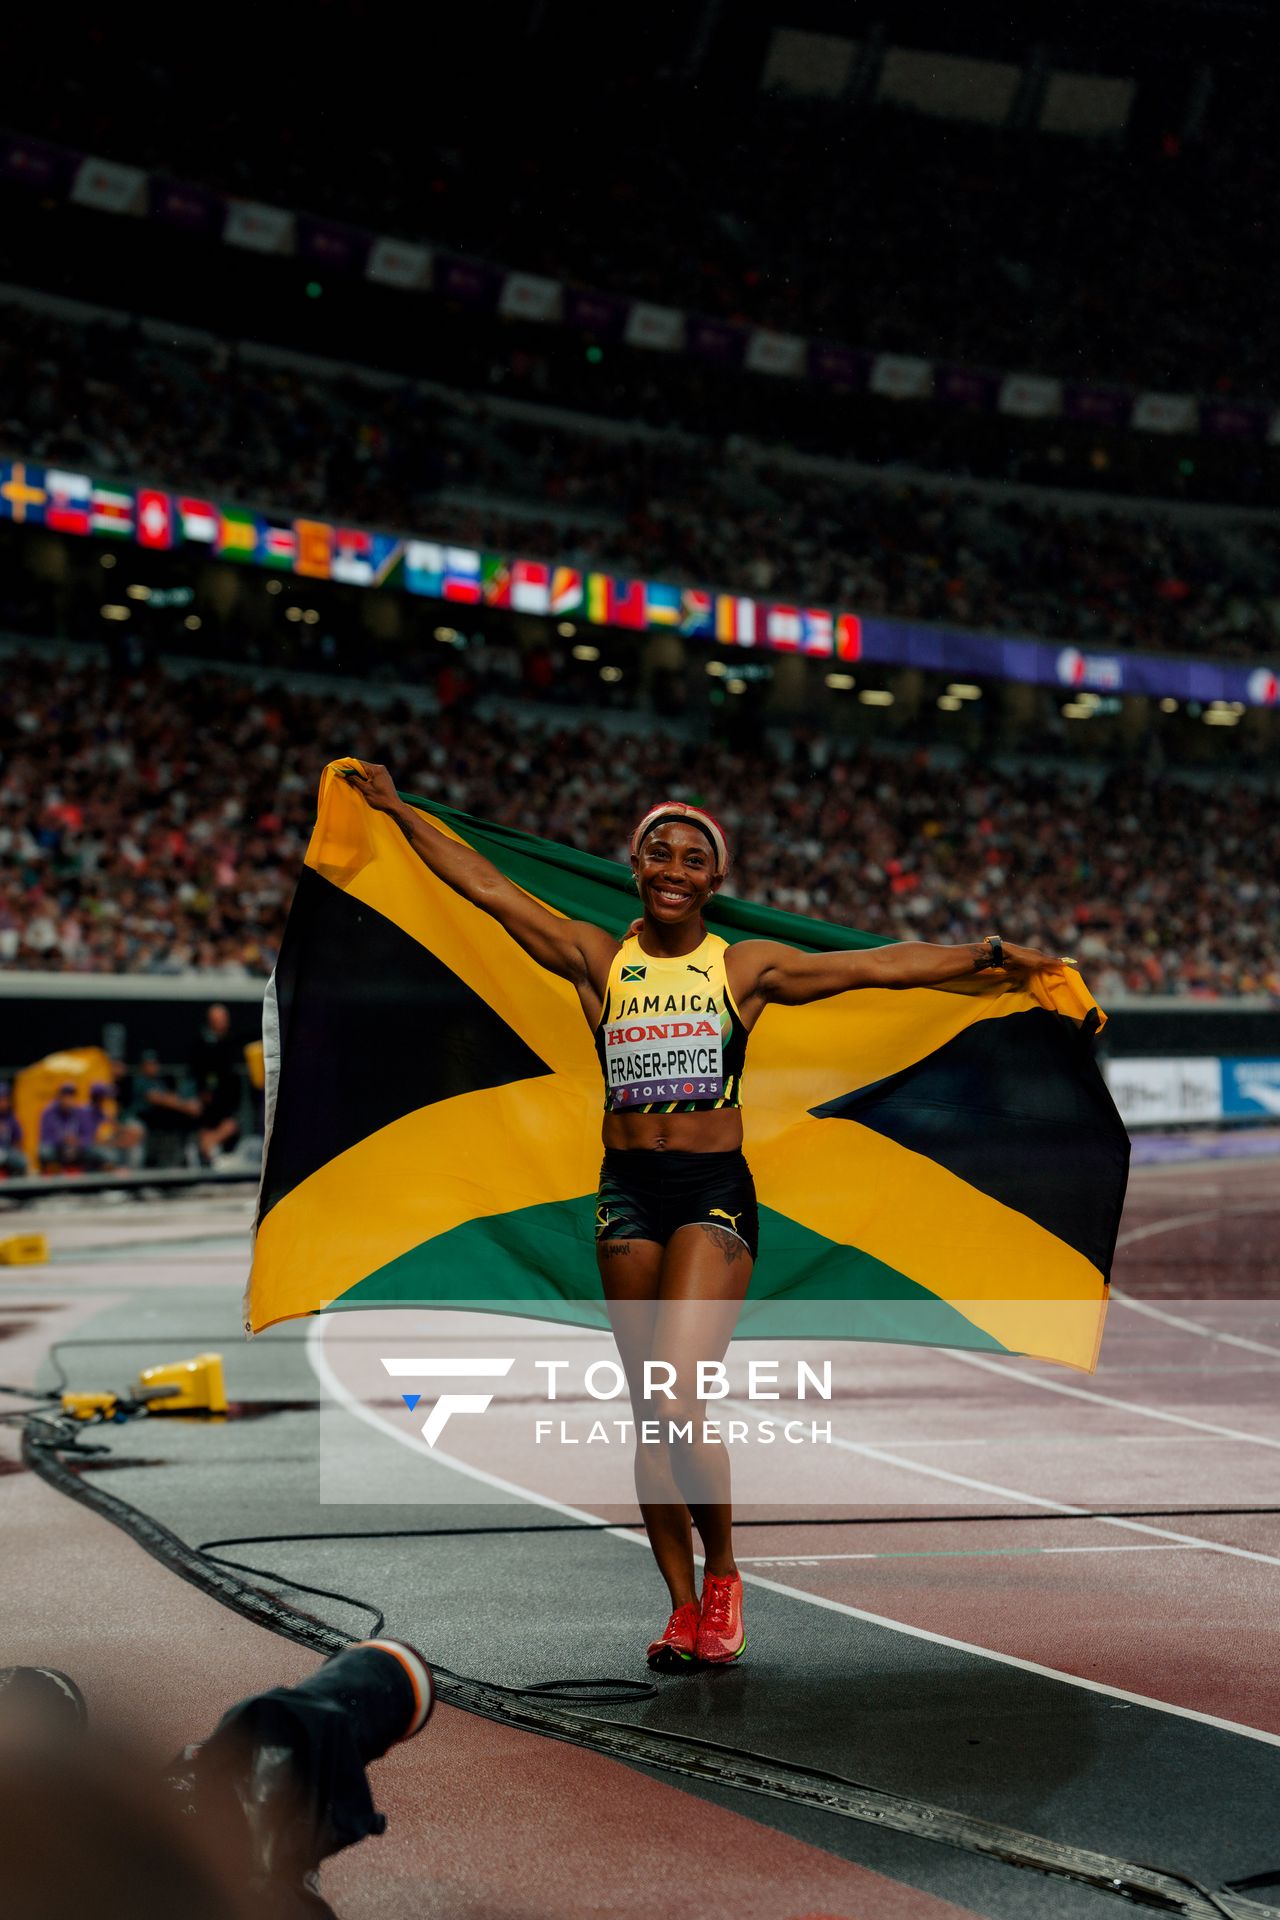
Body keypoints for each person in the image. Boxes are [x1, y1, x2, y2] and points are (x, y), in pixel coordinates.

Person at [343, 763, 1062, 1669]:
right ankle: (681, 1611)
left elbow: (875, 967)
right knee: (652, 1414)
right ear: (637, 867)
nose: (675, 867)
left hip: (712, 1191)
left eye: (694, 857)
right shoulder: (596, 957)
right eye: (660, 852)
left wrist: (995, 958)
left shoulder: (744, 969)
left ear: (713, 882)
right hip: (626, 1191)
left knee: (680, 1396)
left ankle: (724, 1575)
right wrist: (396, 809)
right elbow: (484, 887)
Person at [191, 1006, 243, 1165]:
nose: (223, 1023)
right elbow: (201, 1069)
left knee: (229, 1125)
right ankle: (205, 1154)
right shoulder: (203, 1042)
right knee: (209, 1129)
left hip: (228, 1097)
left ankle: (213, 1153)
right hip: (210, 1096)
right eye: (218, 1019)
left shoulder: (232, 1041)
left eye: (224, 1019)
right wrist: (205, 1090)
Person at [38, 1082, 90, 1174]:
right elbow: (45, 1137)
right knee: (44, 1151)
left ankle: (90, 1179)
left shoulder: (80, 1112)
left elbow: (88, 1135)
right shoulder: (49, 1113)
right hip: (57, 1148)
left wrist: (77, 1141)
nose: (68, 1100)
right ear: (59, 1098)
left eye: (71, 1096)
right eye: (65, 1096)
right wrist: (63, 1140)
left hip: (77, 1147)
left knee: (93, 1151)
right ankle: (49, 1179)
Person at [0, 1081, 27, 1177]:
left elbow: (18, 1139)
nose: (3, 1102)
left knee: (21, 1160)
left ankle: (20, 1188)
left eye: (5, 1099)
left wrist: (15, 1150)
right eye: (1, 1099)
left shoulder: (11, 1117)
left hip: (8, 1152)